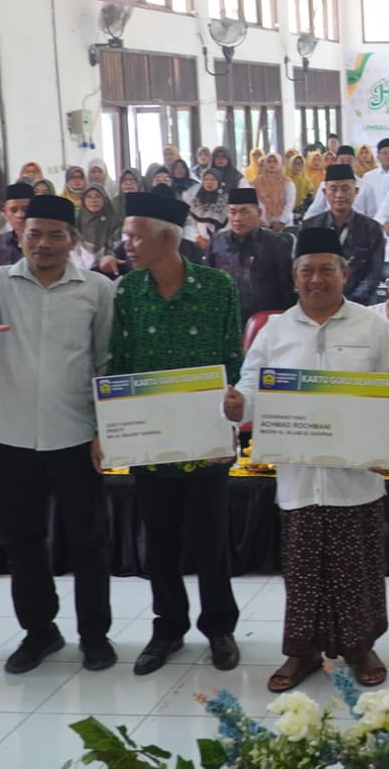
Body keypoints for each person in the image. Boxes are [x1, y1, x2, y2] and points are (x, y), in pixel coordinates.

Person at [234, 226, 389, 692]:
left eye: (326, 269)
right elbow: (251, 384)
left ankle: (360, 645)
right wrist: (238, 405)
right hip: (300, 473)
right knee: (304, 565)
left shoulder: (373, 326)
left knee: (357, 562)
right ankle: (301, 650)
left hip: (358, 473)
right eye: (306, 271)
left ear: (344, 274)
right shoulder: (276, 330)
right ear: (294, 278)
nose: (316, 279)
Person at [0, 194, 117, 673]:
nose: (43, 244)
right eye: (34, 234)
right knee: (22, 541)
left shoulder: (98, 289)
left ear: (72, 240)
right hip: (13, 437)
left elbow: (106, 360)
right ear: (19, 236)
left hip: (75, 435)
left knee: (89, 540)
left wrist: (103, 428)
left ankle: (95, 635)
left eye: (54, 235)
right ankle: (39, 632)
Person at [109, 192, 244, 675]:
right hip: (150, 440)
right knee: (159, 540)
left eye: (133, 235)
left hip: (206, 439)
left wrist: (233, 414)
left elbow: (233, 359)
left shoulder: (217, 288)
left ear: (167, 237)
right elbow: (119, 364)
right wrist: (114, 427)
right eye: (125, 235)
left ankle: (220, 628)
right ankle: (167, 628)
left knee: (211, 538)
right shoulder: (127, 291)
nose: (126, 243)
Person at [203, 187, 296, 325]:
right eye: (232, 212)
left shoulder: (276, 244)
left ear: (258, 213)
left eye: (244, 211)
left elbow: (287, 288)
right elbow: (208, 284)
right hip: (227, 320)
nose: (237, 218)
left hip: (266, 321)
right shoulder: (217, 242)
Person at [301, 163, 387, 304]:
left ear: (356, 191)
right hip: (319, 302)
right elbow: (302, 269)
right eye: (333, 189)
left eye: (345, 189)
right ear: (324, 192)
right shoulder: (309, 227)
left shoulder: (371, 228)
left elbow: (374, 273)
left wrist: (350, 303)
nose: (339, 195)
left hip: (361, 305)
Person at [0, 182, 36, 266]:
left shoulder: (47, 243)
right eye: (13, 210)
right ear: (5, 213)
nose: (20, 215)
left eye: (26, 209)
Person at [251, 152, 296, 230]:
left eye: (275, 161)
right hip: (262, 222)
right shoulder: (257, 182)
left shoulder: (287, 182)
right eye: (269, 161)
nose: (272, 164)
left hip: (284, 222)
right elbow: (252, 202)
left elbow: (290, 203)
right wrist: (258, 219)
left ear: (280, 164)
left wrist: (282, 221)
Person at [189, 168, 229, 248]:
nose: (209, 182)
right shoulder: (196, 199)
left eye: (213, 180)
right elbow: (191, 221)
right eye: (206, 179)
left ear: (218, 182)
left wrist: (215, 240)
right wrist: (198, 237)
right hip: (199, 242)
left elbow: (229, 223)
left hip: (221, 241)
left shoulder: (225, 199)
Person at [76, 185, 119, 260]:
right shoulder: (76, 223)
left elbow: (118, 246)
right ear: (83, 200)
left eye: (98, 196)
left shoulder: (115, 221)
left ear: (104, 199)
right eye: (89, 197)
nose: (93, 200)